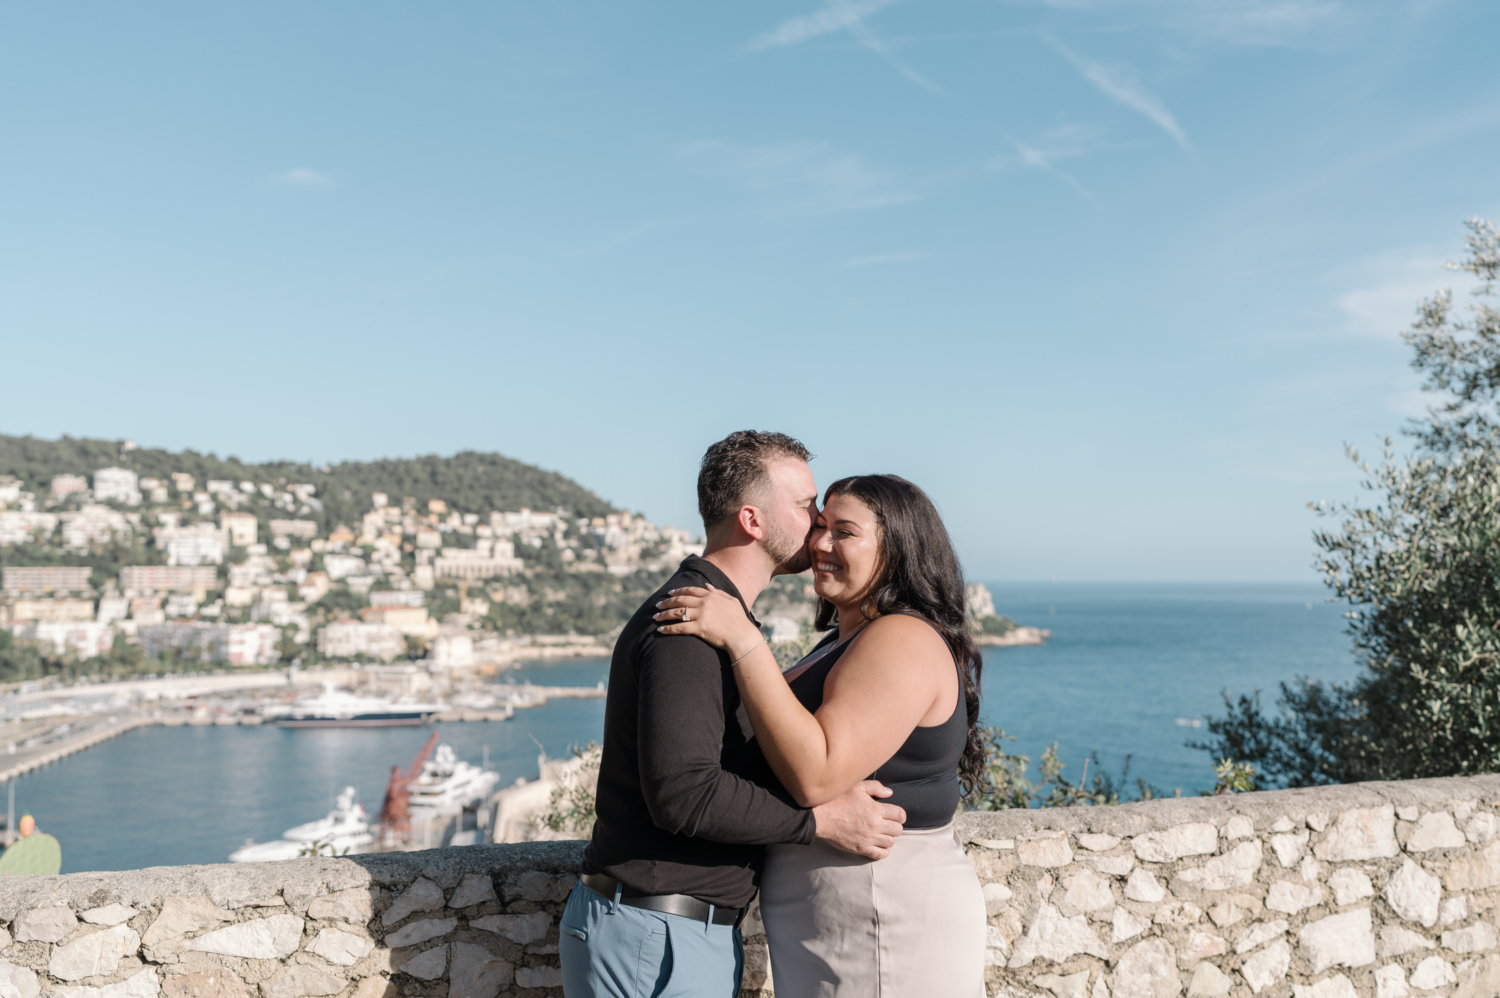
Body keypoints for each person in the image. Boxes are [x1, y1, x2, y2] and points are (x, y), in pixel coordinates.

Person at [560, 433, 909, 998]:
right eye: (805, 506)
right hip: (660, 934)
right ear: (752, 519)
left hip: (668, 931)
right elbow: (684, 793)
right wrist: (820, 823)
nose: (819, 523)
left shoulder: (717, 618)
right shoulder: (688, 627)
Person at [654, 474, 988, 997]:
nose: (820, 544)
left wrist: (744, 638)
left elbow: (816, 774)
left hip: (881, 911)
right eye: (820, 526)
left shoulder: (901, 639)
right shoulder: (846, 639)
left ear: (897, 550)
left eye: (844, 532)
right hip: (842, 913)